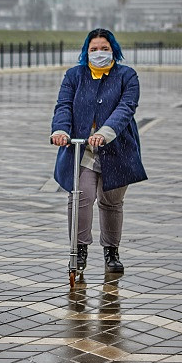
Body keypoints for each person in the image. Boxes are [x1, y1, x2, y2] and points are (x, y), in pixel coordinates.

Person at [50, 28, 147, 274]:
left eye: (104, 48)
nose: (99, 53)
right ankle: (79, 249)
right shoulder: (75, 75)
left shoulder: (127, 76)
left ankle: (111, 251)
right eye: (94, 49)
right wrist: (60, 130)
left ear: (113, 50)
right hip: (82, 149)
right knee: (80, 198)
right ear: (86, 52)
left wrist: (104, 133)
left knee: (112, 202)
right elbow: (63, 105)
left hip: (117, 148)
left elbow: (126, 108)